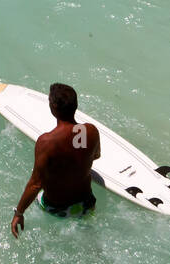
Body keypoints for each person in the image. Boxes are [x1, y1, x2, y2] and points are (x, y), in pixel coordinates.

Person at [10, 83, 101, 238]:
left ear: (53, 107)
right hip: (86, 204)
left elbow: (35, 184)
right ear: (75, 105)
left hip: (57, 210)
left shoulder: (47, 142)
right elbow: (96, 156)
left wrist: (19, 213)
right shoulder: (91, 131)